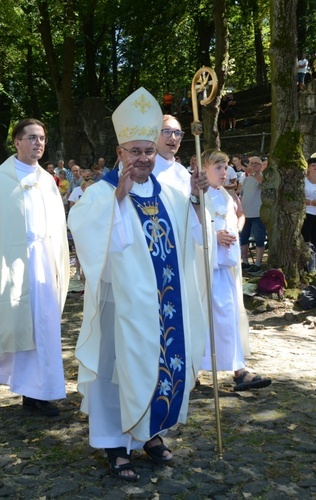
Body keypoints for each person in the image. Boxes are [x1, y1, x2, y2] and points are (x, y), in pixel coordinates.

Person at [68, 88, 208, 481]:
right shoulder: (100, 193)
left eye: (148, 150)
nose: (143, 158)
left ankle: (151, 434)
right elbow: (84, 230)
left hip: (166, 306)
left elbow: (193, 237)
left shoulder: (172, 193)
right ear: (119, 153)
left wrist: (197, 198)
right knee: (117, 370)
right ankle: (115, 444)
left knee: (162, 365)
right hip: (122, 303)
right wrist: (117, 199)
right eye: (135, 151)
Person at [0, 118, 69, 418]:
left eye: (42, 139)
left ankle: (35, 394)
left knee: (43, 327)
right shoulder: (0, 179)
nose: (39, 143)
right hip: (10, 263)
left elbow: (57, 226)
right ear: (17, 142)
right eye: (32, 138)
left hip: (43, 263)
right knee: (9, 322)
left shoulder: (48, 181)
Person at [200, 150, 270, 391]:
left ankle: (239, 368)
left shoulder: (226, 195)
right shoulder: (196, 196)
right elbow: (186, 227)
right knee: (204, 318)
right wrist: (212, 235)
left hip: (226, 266)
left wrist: (236, 229)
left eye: (226, 166)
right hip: (204, 267)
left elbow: (238, 216)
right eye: (218, 167)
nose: (224, 172)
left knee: (230, 316)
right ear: (204, 169)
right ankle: (193, 370)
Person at [239, 156, 266, 273]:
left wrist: (254, 174)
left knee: (259, 239)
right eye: (251, 163)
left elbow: (264, 184)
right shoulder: (245, 179)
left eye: (256, 163)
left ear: (261, 166)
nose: (253, 166)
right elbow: (241, 194)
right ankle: (245, 261)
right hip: (245, 214)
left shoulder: (263, 176)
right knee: (243, 239)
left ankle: (258, 263)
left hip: (257, 214)